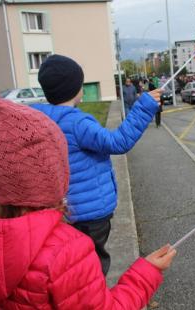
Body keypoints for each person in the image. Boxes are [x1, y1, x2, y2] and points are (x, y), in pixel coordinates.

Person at [0, 78, 176, 309]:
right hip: (89, 217)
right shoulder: (69, 251)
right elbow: (118, 141)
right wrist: (146, 274)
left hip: (50, 227)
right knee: (91, 274)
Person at [32, 55, 161, 275]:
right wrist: (145, 106)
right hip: (90, 214)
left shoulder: (40, 118)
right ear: (75, 89)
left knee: (74, 263)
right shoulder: (77, 123)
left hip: (64, 209)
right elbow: (118, 142)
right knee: (94, 265)